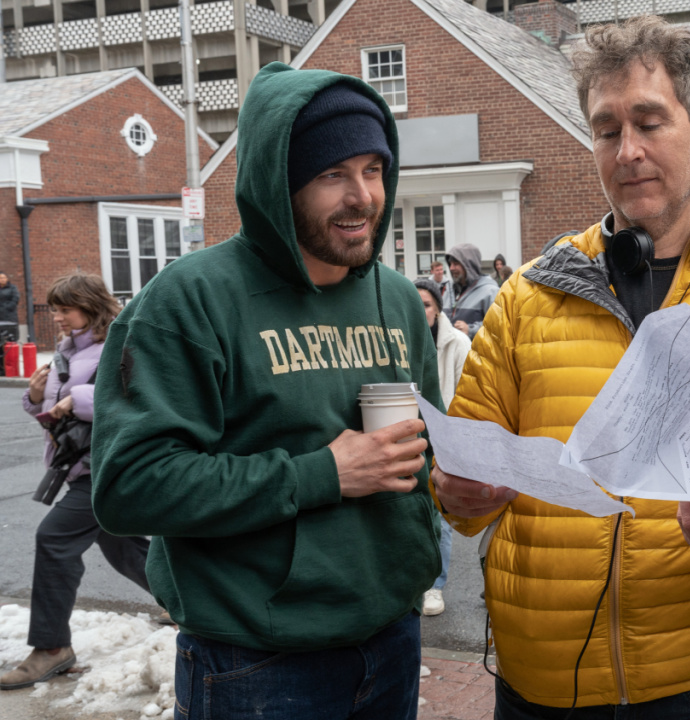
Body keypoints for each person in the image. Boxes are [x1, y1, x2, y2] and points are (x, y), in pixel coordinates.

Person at [430, 16, 690, 717]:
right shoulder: (527, 298)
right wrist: (455, 494)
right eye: (607, 128)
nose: (628, 151)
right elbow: (464, 467)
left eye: (650, 122)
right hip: (542, 682)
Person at [91, 65, 444, 720]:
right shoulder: (188, 302)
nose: (363, 195)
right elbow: (128, 486)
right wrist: (323, 474)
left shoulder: (396, 299)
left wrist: (456, 479)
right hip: (256, 662)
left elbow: (427, 449)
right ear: (278, 183)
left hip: (392, 640)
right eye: (332, 174)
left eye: (373, 169)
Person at [0, 274, 152, 691]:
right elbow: (56, 418)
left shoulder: (118, 345)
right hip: (78, 464)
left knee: (54, 539)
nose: (58, 317)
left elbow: (130, 399)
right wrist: (35, 398)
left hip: (106, 466)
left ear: (90, 306)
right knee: (120, 543)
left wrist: (78, 398)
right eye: (54, 309)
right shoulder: (68, 351)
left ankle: (52, 650)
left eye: (65, 309)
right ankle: (182, 600)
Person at [412, 277, 472, 617]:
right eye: (416, 304)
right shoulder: (400, 340)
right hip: (413, 436)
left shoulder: (458, 343)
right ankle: (415, 583)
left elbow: (468, 395)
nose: (421, 312)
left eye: (427, 305)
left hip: (445, 439)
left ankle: (435, 586)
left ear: (438, 309)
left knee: (441, 514)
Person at [444, 243, 499, 339]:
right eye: (450, 264)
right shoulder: (447, 290)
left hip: (476, 352)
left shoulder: (490, 292)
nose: (451, 268)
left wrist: (471, 330)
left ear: (469, 265)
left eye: (456, 264)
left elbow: (499, 325)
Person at [0, 272, 18, 345]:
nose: (2, 279)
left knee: (10, 336)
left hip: (9, 315)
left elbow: (15, 299)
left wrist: (7, 308)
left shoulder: (12, 288)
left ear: (7, 279)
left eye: (4, 278)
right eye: (0, 278)